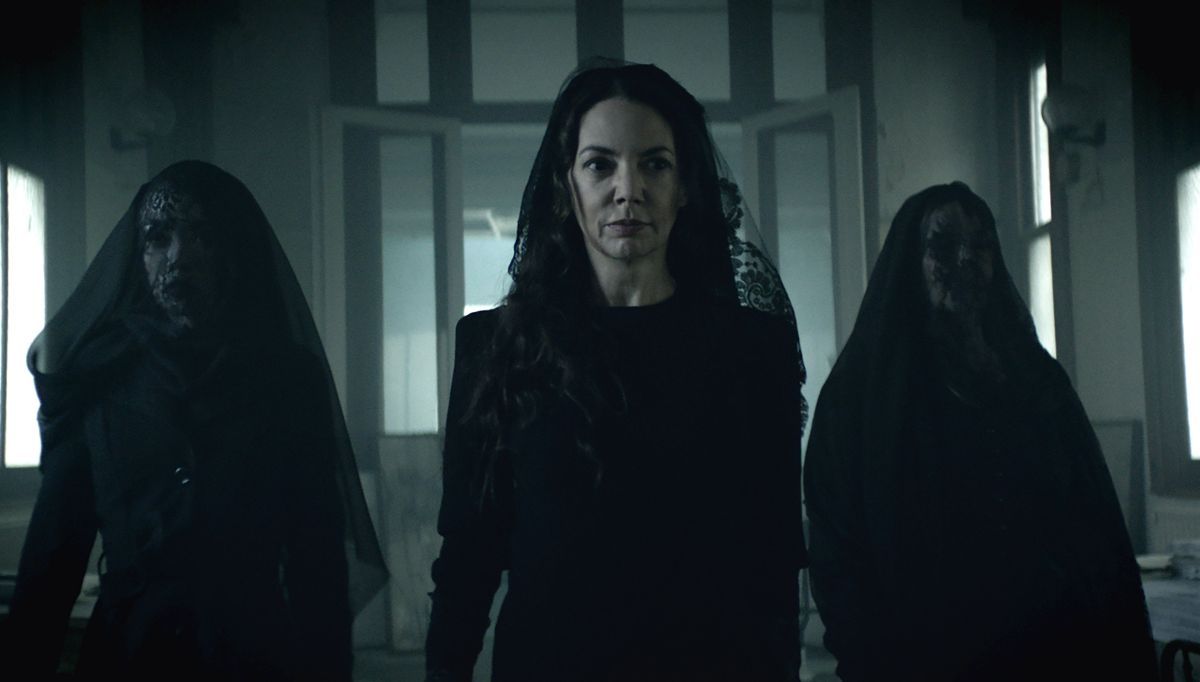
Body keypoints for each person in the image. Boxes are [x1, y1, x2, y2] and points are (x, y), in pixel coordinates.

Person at [424, 62, 808, 682]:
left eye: (654, 164)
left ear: (685, 186)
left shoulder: (751, 349)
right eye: (600, 165)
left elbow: (773, 559)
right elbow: (469, 552)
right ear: (566, 186)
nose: (628, 190)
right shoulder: (498, 348)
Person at [1, 161, 387, 680]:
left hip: (253, 657)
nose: (178, 258)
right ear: (137, 254)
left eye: (202, 235)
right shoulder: (100, 376)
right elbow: (53, 556)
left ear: (235, 250)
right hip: (129, 655)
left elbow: (315, 555)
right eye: (158, 237)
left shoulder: (287, 380)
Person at [803, 181, 1157, 681]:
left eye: (981, 245)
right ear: (913, 262)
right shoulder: (860, 397)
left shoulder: (1036, 379)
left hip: (1047, 655)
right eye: (944, 245)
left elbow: (1090, 520)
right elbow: (838, 550)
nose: (966, 259)